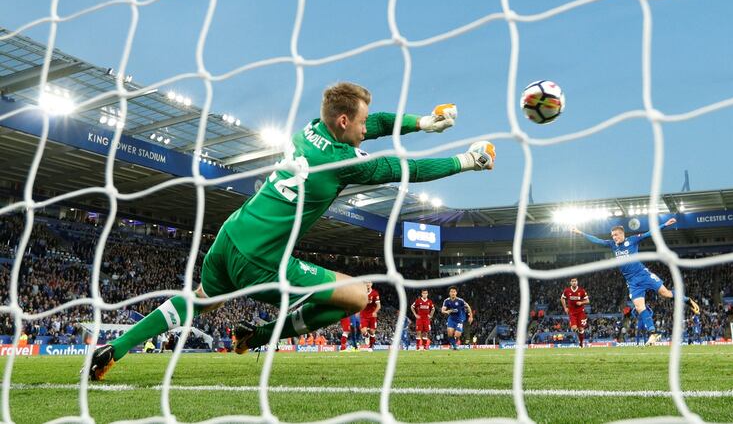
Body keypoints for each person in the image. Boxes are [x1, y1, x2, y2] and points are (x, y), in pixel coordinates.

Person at [87, 81, 495, 380]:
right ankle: (261, 335)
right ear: (343, 120)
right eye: (362, 122)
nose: (367, 127)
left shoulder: (310, 130)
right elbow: (409, 169)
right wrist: (467, 161)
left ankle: (115, 348)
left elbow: (380, 123)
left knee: (201, 300)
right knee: (358, 294)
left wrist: (423, 122)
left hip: (231, 234)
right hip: (259, 260)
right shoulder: (343, 162)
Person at [571, 218, 699, 346]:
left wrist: (664, 224)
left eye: (616, 235)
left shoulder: (632, 240)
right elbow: (596, 240)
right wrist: (581, 233)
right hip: (632, 281)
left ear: (622, 234)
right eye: (612, 236)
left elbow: (650, 233)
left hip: (643, 275)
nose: (614, 237)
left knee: (665, 293)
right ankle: (653, 334)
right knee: (639, 307)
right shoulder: (612, 244)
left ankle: (688, 300)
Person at [560, 278, 589, 348]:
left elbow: (587, 300)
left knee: (581, 329)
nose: (574, 283)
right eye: (572, 281)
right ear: (570, 283)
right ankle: (578, 334)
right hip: (572, 312)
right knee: (574, 328)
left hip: (580, 312)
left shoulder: (581, 290)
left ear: (577, 282)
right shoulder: (567, 290)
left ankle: (581, 343)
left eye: (575, 281)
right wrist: (565, 308)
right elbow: (562, 298)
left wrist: (581, 302)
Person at [441, 286, 473, 350]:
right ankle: (454, 345)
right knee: (450, 333)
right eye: (451, 292)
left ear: (456, 293)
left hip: (459, 319)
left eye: (454, 292)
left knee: (457, 335)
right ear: (449, 293)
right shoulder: (446, 301)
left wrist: (471, 316)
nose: (453, 293)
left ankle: (456, 343)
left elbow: (468, 306)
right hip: (451, 319)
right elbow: (442, 310)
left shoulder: (460, 300)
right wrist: (447, 311)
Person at [360, 282, 380, 349]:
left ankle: (371, 346)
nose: (367, 284)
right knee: (363, 331)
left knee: (372, 332)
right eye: (366, 283)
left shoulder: (375, 293)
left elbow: (378, 306)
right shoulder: (362, 293)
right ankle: (366, 336)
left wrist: (375, 312)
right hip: (363, 315)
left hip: (372, 315)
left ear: (371, 284)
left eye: (369, 282)